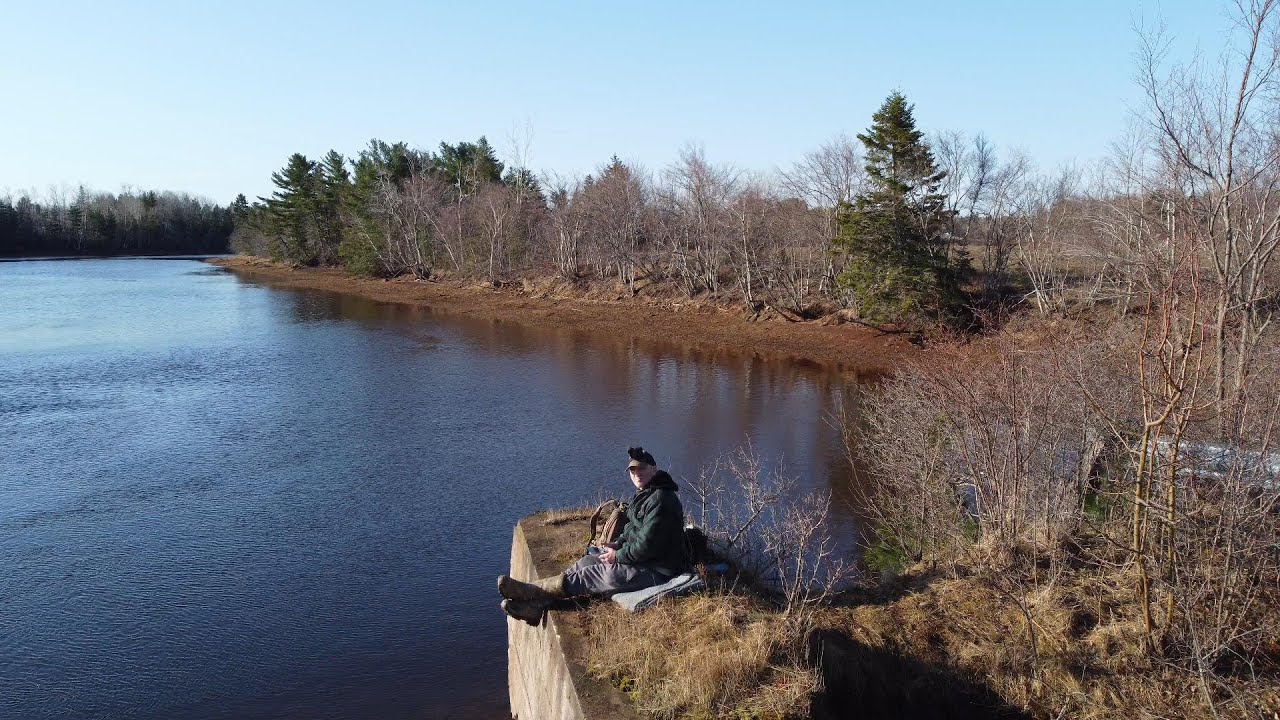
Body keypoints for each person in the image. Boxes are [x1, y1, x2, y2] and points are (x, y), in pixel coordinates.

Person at [498, 447, 685, 625]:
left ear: (654, 468)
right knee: (586, 563)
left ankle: (530, 591)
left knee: (593, 575)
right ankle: (536, 605)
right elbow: (632, 530)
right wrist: (618, 544)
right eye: (632, 470)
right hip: (642, 559)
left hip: (659, 569)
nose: (636, 474)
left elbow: (647, 546)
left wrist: (617, 555)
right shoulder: (646, 493)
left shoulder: (661, 499)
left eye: (642, 468)